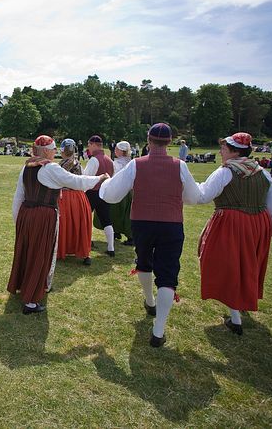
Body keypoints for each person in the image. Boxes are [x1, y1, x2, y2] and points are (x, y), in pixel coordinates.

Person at [99, 123, 200, 347]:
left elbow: (112, 195)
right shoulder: (180, 166)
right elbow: (193, 198)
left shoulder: (136, 164)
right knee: (167, 274)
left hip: (142, 222)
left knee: (144, 261)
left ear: (148, 139)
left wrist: (105, 185)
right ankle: (158, 329)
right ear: (170, 142)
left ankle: (149, 300)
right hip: (172, 223)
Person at [194, 132, 272, 335]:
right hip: (258, 224)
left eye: (224, 149)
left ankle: (235, 318)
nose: (220, 152)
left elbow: (203, 196)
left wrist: (188, 188)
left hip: (232, 223)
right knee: (248, 264)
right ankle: (241, 303)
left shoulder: (225, 172)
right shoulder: (262, 172)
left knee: (228, 265)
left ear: (234, 152)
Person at [8, 135, 108, 314]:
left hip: (26, 213)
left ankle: (26, 286)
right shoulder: (50, 168)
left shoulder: (27, 166)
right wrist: (99, 178)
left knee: (27, 250)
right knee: (41, 253)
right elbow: (76, 181)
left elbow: (18, 196)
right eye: (54, 149)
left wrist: (18, 220)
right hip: (43, 215)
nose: (56, 153)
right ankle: (31, 301)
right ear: (46, 151)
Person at [56, 138, 94, 265]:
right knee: (79, 224)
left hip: (65, 197)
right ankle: (84, 253)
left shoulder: (60, 165)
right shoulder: (78, 164)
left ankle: (64, 249)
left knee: (64, 224)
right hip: (79, 196)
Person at [84, 135, 116, 256]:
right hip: (104, 193)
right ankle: (111, 248)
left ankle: (86, 243)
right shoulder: (109, 160)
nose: (88, 147)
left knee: (86, 218)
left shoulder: (94, 160)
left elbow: (86, 178)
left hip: (92, 192)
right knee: (106, 219)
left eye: (89, 144)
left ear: (93, 144)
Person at [108, 141, 134, 246]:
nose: (115, 151)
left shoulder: (117, 164)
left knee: (122, 214)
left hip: (120, 191)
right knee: (121, 213)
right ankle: (116, 232)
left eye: (117, 149)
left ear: (121, 151)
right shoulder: (131, 162)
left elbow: (115, 178)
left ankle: (131, 237)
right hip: (129, 191)